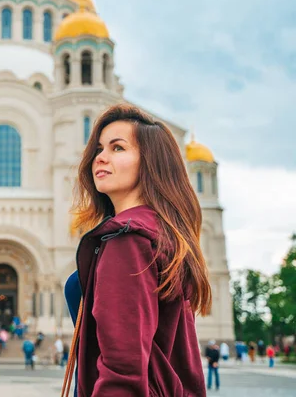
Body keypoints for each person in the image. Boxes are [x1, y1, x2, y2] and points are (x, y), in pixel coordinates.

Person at [62, 104, 209, 396]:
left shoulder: (128, 239)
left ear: (150, 163)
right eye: (100, 148)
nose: (100, 157)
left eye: (117, 148)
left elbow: (123, 371)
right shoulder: (163, 235)